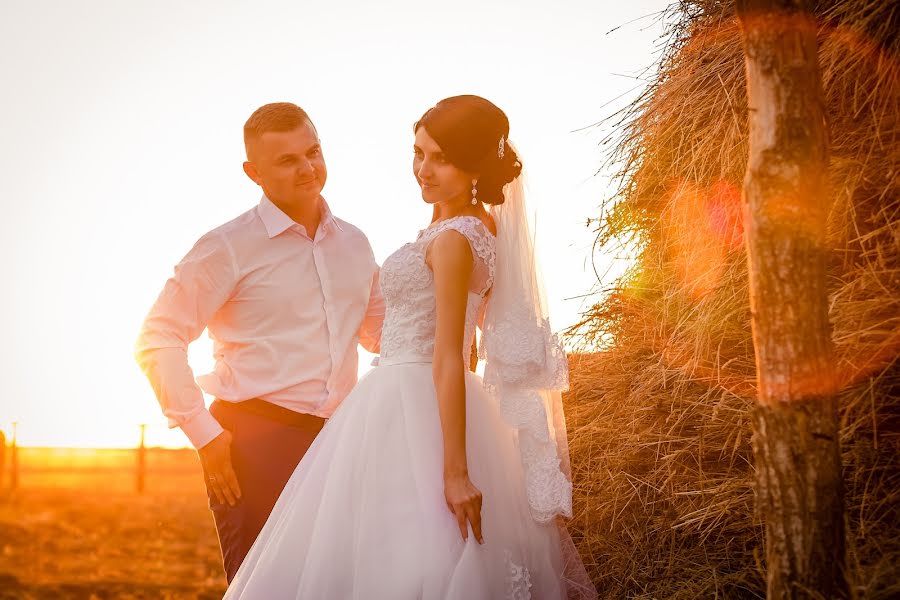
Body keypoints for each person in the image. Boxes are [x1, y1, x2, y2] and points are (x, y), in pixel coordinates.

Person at [223, 95, 596, 599]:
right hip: (406, 396)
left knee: (402, 558)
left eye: (441, 158)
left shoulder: (453, 240)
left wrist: (456, 472)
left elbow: (449, 355)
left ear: (474, 165)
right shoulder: (472, 228)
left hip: (409, 400)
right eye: (418, 153)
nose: (424, 169)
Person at [134, 102, 385, 582]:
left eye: (313, 152)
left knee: (337, 586)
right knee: (263, 586)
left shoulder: (355, 242)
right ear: (253, 172)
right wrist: (204, 435)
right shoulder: (227, 246)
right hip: (253, 446)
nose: (308, 168)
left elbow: (379, 334)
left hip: (341, 444)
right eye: (287, 160)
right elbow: (158, 336)